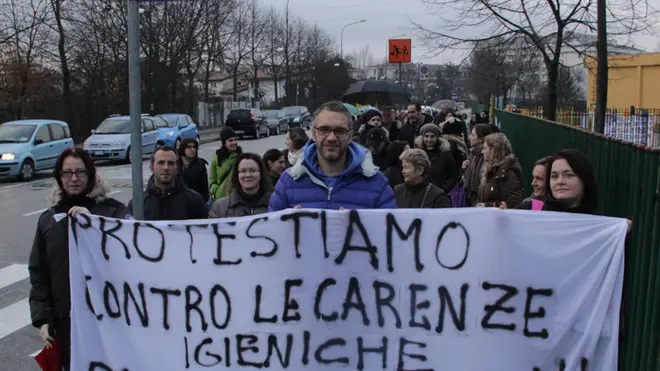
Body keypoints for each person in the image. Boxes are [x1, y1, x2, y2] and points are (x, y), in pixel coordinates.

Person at [29, 148, 127, 371]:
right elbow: (39, 273)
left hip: (107, 323)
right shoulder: (48, 220)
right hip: (66, 327)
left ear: (90, 175)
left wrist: (95, 224)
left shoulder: (112, 212)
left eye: (80, 172)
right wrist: (43, 319)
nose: (73, 179)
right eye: (67, 173)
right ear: (59, 176)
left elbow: (127, 254)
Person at [269, 100, 396, 210]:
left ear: (350, 136)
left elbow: (389, 234)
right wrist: (289, 227)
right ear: (313, 134)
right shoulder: (288, 182)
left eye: (340, 131)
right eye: (324, 130)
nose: (331, 138)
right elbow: (272, 232)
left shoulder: (377, 184)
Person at [127, 146, 207, 220]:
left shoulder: (195, 201)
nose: (166, 168)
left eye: (171, 163)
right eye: (161, 163)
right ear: (152, 168)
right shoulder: (137, 205)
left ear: (177, 169)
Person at [517, 149, 598, 213]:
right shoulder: (528, 210)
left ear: (584, 179)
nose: (560, 181)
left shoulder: (600, 227)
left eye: (569, 175)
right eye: (554, 176)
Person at [209, 153, 273, 218]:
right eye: (243, 171)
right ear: (237, 175)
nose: (248, 175)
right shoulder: (219, 207)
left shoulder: (276, 204)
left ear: (261, 174)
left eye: (253, 170)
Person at [476, 133, 524, 208]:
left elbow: (515, 201)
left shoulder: (507, 173)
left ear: (494, 150)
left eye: (485, 148)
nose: (482, 152)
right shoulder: (492, 170)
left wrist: (488, 206)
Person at [414, 123, 457, 193]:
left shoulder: (445, 154)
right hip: (420, 193)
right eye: (426, 136)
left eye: (432, 136)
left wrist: (444, 189)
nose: (429, 139)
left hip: (439, 193)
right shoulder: (418, 153)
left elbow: (453, 176)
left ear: (437, 137)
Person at [463, 124, 493, 206]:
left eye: (472, 135)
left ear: (481, 139)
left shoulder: (485, 156)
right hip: (472, 198)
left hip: (481, 202)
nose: (469, 138)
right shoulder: (473, 153)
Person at [210, 127, 242, 200]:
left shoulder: (240, 157)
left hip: (237, 198)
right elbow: (212, 179)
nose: (234, 142)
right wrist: (215, 190)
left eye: (235, 140)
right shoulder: (216, 159)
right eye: (230, 140)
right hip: (220, 198)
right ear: (224, 143)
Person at [177, 137, 209, 203]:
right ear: (183, 149)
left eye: (194, 147)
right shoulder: (176, 164)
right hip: (180, 202)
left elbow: (204, 187)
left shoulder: (200, 164)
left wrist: (203, 201)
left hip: (196, 201)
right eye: (189, 147)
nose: (193, 149)